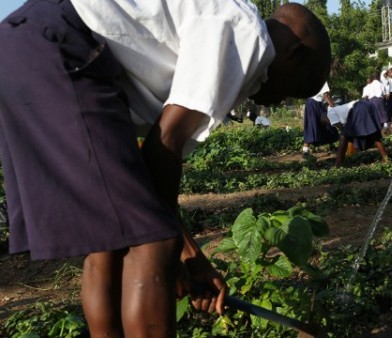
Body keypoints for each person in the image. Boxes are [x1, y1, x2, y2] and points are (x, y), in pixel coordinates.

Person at [0, 1, 331, 336]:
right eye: (294, 89)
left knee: (110, 241)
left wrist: (190, 257)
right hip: (59, 44)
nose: (279, 101)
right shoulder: (245, 32)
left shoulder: (215, 25)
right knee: (152, 244)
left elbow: (147, 164)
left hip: (32, 42)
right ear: (295, 54)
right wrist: (175, 255)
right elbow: (165, 144)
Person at [327, 100, 388, 167]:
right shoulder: (337, 109)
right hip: (367, 104)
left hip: (358, 107)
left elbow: (342, 129)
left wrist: (349, 136)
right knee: (373, 134)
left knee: (343, 136)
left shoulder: (330, 113)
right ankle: (386, 159)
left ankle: (338, 165)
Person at [302, 81, 339, 155]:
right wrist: (333, 107)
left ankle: (331, 145)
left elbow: (327, 95)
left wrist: (332, 105)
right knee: (312, 126)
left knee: (326, 124)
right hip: (313, 105)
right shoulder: (322, 80)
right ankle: (305, 151)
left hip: (315, 104)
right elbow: (326, 96)